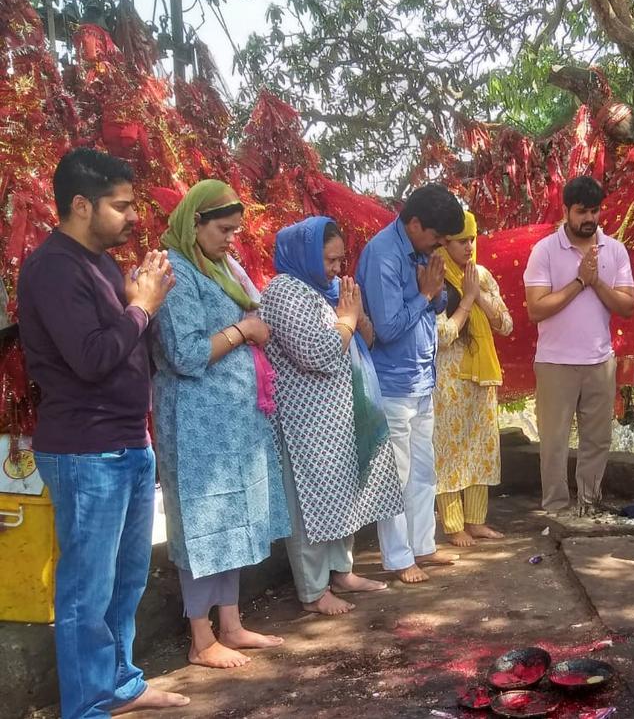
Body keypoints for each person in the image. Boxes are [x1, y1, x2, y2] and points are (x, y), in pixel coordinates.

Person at [17, 148, 188, 717]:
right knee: (86, 592)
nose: (134, 216)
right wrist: (141, 307)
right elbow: (91, 358)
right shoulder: (53, 268)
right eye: (122, 206)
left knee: (125, 582)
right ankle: (86, 705)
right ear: (81, 205)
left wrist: (140, 301)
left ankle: (119, 683)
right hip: (85, 450)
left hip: (126, 443)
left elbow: (121, 345)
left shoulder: (98, 263)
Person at [152, 179, 290, 669]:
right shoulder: (176, 272)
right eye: (224, 229)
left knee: (233, 521)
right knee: (204, 523)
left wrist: (254, 322)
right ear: (195, 224)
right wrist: (242, 330)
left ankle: (230, 624)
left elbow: (259, 309)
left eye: (236, 229)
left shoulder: (221, 265)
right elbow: (185, 354)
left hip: (233, 419)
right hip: (194, 423)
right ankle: (200, 636)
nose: (233, 238)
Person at [261, 217, 404, 614]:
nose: (338, 269)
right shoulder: (284, 291)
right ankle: (312, 591)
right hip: (304, 423)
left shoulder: (325, 290)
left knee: (343, 497)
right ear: (304, 254)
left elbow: (366, 340)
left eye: (342, 260)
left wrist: (356, 316)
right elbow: (320, 355)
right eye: (330, 259)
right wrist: (347, 319)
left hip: (337, 417)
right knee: (309, 504)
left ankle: (341, 571)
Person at [355, 184, 465, 583]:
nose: (439, 245)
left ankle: (423, 546)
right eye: (436, 236)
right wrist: (424, 294)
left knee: (423, 470)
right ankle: (399, 557)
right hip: (392, 382)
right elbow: (386, 328)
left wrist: (433, 296)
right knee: (397, 473)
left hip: (421, 379)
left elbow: (435, 303)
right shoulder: (383, 253)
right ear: (415, 223)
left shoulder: (419, 251)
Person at [523, 175, 634, 515]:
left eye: (594, 211)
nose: (589, 218)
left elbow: (627, 306)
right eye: (581, 211)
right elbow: (535, 309)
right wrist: (578, 282)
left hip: (600, 361)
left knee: (597, 440)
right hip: (555, 362)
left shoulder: (615, 250)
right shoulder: (544, 250)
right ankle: (557, 511)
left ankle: (588, 508)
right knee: (554, 444)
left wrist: (596, 280)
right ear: (567, 211)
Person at [433, 211, 513, 547]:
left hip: (482, 377)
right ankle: (452, 525)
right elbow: (441, 335)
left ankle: (476, 520)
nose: (469, 246)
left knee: (480, 448)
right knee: (449, 450)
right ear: (444, 242)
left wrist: (477, 292)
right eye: (461, 240)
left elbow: (506, 324)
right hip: (448, 378)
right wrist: (465, 300)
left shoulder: (480, 275)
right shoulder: (433, 276)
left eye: (472, 239)